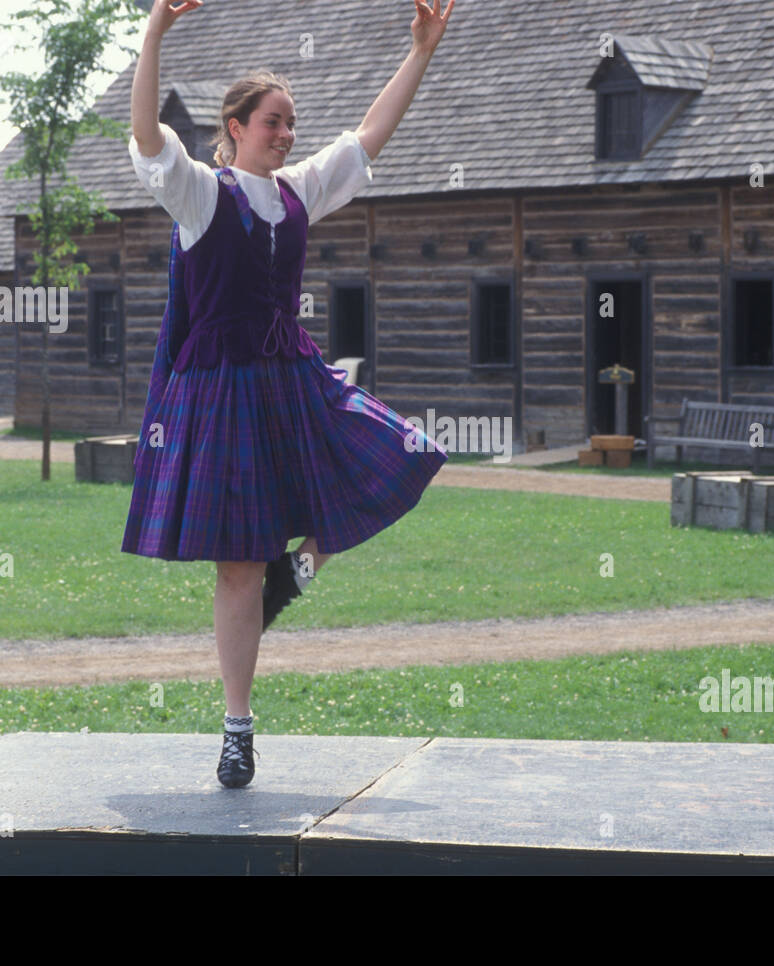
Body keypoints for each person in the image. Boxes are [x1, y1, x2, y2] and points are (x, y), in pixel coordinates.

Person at [122, 0, 456, 789]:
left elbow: (369, 135)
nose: (286, 134)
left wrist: (422, 50)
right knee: (238, 568)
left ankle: (300, 567)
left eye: (291, 123)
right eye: (273, 122)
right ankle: (237, 731)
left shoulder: (300, 191)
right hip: (223, 396)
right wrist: (154, 33)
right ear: (236, 127)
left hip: (293, 380)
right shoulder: (202, 194)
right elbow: (147, 137)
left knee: (402, 452)